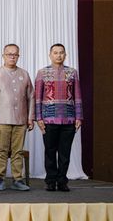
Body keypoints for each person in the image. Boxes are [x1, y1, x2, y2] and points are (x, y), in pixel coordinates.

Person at [35, 43, 83, 192]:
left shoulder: (72, 73)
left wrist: (79, 117)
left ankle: (62, 181)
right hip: (49, 119)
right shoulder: (42, 73)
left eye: (61, 52)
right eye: (55, 53)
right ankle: (50, 181)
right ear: (50, 55)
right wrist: (38, 118)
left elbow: (77, 96)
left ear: (65, 55)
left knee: (65, 153)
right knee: (50, 152)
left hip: (68, 119)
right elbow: (37, 98)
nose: (58, 55)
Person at [0, 43, 35, 191]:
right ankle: (0, 179)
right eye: (9, 54)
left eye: (15, 54)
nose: (12, 56)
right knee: (1, 150)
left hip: (21, 119)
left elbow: (31, 97)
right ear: (3, 56)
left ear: (18, 56)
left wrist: (30, 117)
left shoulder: (24, 74)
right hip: (2, 119)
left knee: (18, 151)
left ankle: (18, 180)